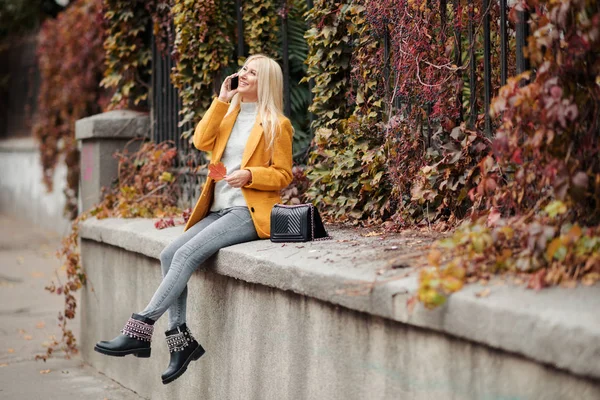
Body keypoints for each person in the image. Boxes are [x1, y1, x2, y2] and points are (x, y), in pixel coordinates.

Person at [94, 54, 294, 385]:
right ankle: (180, 343)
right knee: (169, 253)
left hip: (249, 212)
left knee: (186, 255)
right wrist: (221, 100)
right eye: (243, 68)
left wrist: (250, 174)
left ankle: (140, 328)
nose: (243, 74)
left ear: (266, 83)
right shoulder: (229, 115)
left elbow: (283, 174)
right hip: (217, 208)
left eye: (252, 73)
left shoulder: (277, 124)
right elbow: (200, 141)